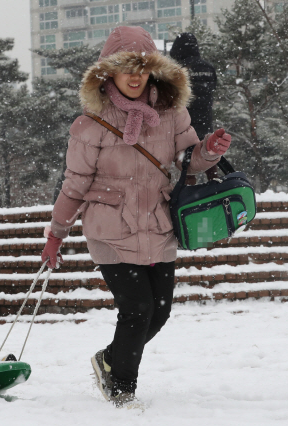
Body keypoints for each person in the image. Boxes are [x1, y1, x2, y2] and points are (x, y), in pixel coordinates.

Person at [40, 26, 231, 409]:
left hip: (157, 225)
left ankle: (110, 359)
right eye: (124, 67)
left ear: (153, 70)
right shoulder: (89, 125)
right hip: (109, 229)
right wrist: (56, 234)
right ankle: (122, 386)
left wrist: (208, 150)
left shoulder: (173, 114)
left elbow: (186, 163)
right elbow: (74, 186)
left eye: (142, 67)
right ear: (107, 72)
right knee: (137, 308)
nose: (134, 75)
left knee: (158, 312)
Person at [170, 32, 220, 183]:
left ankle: (190, 195)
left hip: (186, 124)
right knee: (209, 158)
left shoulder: (179, 70)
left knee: (187, 163)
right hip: (206, 121)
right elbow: (212, 89)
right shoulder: (209, 68)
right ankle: (215, 189)